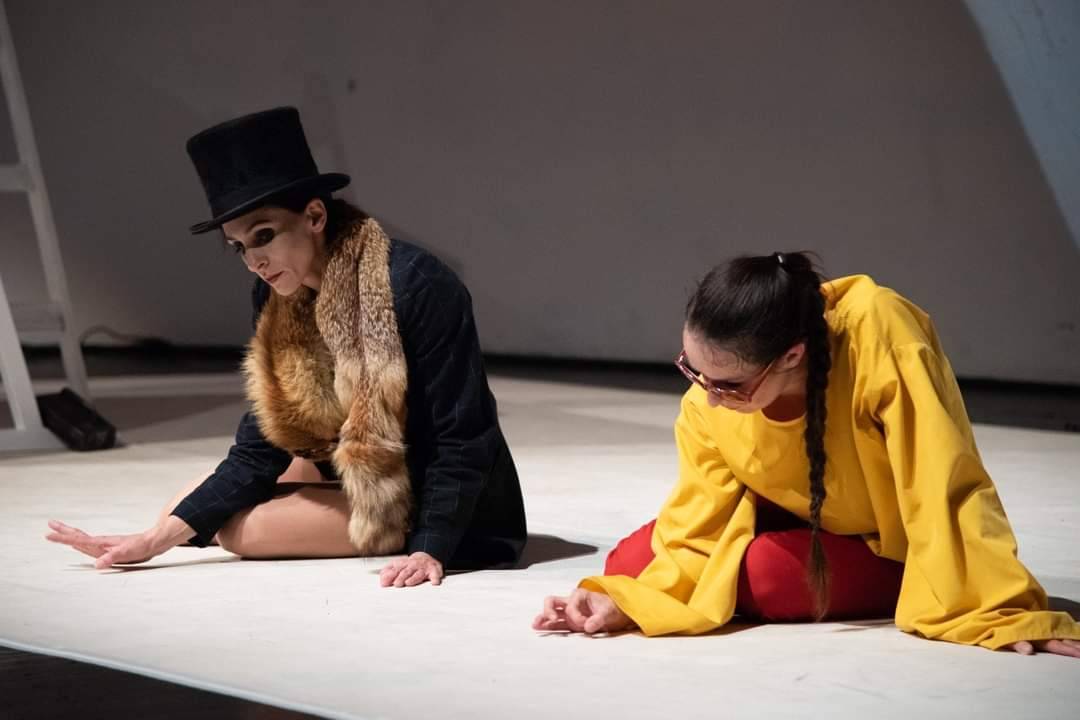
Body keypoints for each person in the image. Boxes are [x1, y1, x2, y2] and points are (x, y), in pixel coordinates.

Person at [46, 107, 526, 587]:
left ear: (315, 215)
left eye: (264, 236)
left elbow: (463, 434)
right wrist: (151, 541)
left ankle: (402, 529)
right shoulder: (277, 295)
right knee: (185, 503)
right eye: (239, 246)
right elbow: (263, 442)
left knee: (240, 532)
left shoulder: (418, 285)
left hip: (441, 500)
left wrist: (430, 546)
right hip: (341, 466)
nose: (254, 261)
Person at [534, 252, 1080, 657]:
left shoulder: (877, 331)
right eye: (692, 370)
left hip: (883, 540)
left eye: (728, 383)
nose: (708, 394)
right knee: (630, 563)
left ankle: (924, 584)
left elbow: (943, 478)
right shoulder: (708, 399)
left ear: (792, 356)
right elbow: (698, 519)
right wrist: (627, 602)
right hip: (792, 517)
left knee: (763, 574)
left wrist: (997, 607)